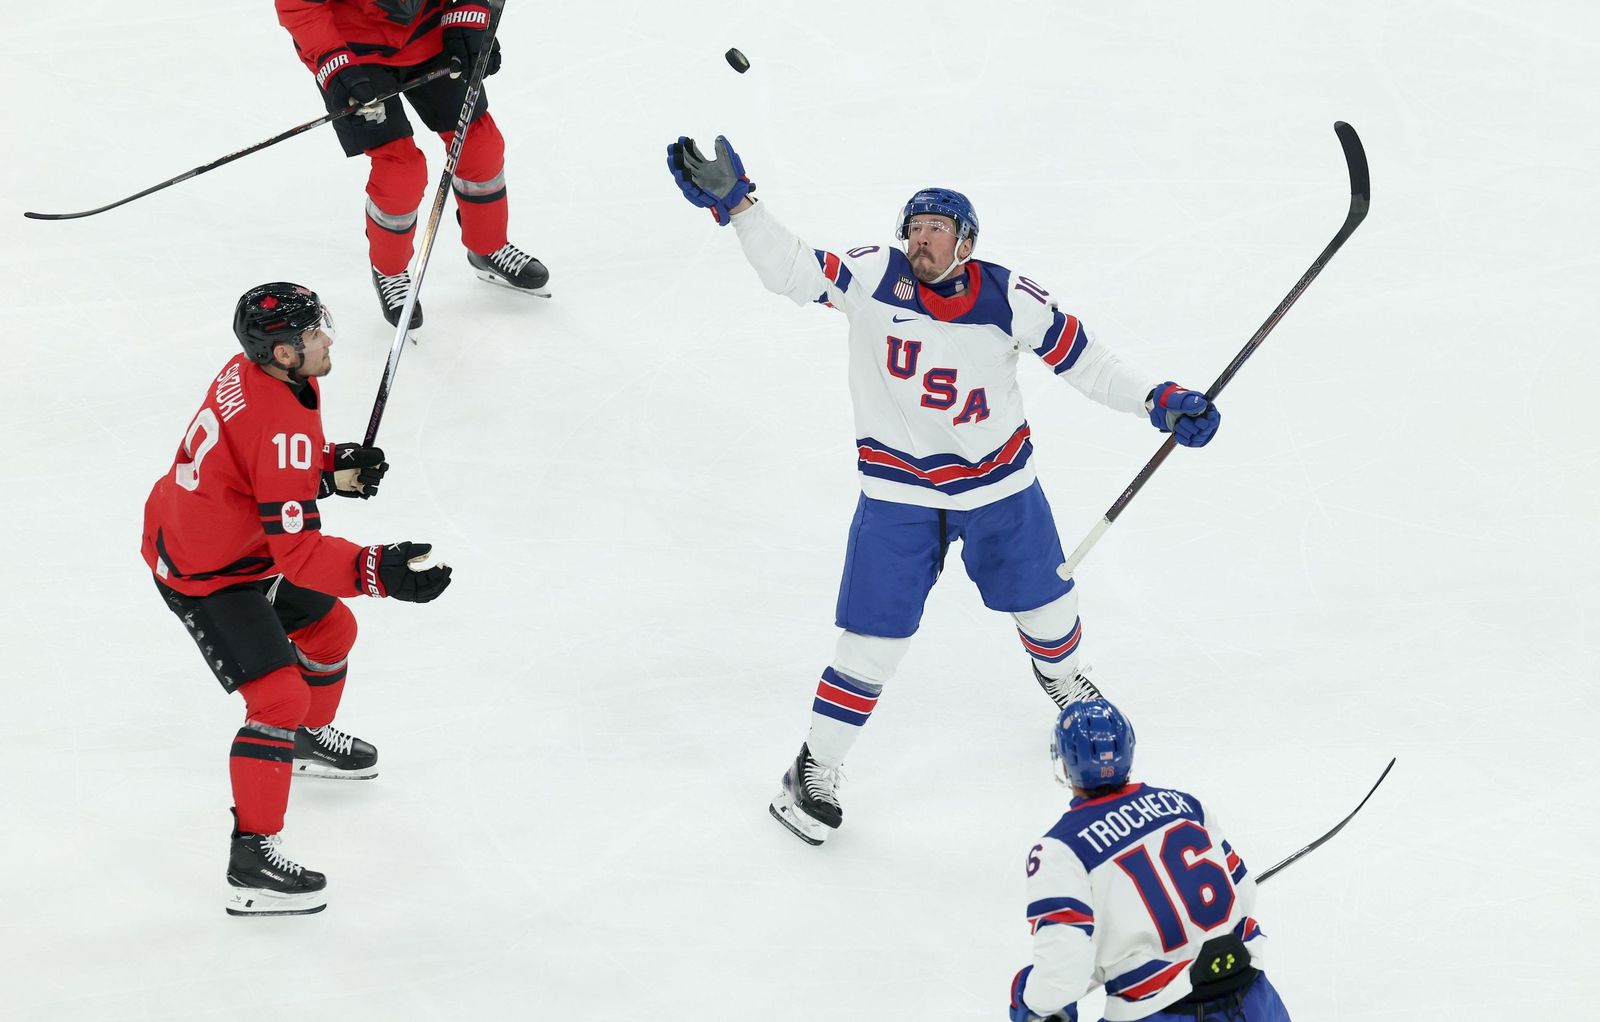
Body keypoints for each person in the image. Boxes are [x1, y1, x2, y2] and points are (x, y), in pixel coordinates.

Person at [665, 136, 1223, 845]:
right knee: (870, 645)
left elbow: (1089, 364)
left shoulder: (1010, 297)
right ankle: (814, 768)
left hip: (999, 488)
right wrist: (741, 207)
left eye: (937, 228)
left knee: (1051, 611)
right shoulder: (873, 275)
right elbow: (793, 270)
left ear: (967, 243)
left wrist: (1159, 399)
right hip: (900, 495)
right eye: (916, 227)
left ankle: (1063, 680)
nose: (921, 239)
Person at [142, 282, 454, 916]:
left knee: (331, 631)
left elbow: (260, 462)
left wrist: (330, 465)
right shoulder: (280, 418)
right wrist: (376, 570)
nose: (327, 339)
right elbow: (300, 555)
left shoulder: (256, 373)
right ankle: (252, 859)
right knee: (278, 696)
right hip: (207, 573)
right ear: (284, 352)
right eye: (315, 333)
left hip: (229, 540)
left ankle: (305, 739)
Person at [1008, 699, 1291, 1021]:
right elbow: (1244, 894)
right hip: (1256, 1001)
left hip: (1161, 1012)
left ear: (1064, 764)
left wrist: (1034, 1004)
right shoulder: (1186, 807)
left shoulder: (1060, 848)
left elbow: (1062, 974)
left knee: (1029, 999)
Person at [275, 0, 550, 328]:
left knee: (479, 146)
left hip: (430, 34)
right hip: (354, 54)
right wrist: (335, 66)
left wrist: (469, 10)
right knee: (400, 172)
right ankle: (390, 271)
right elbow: (300, 6)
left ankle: (487, 247)